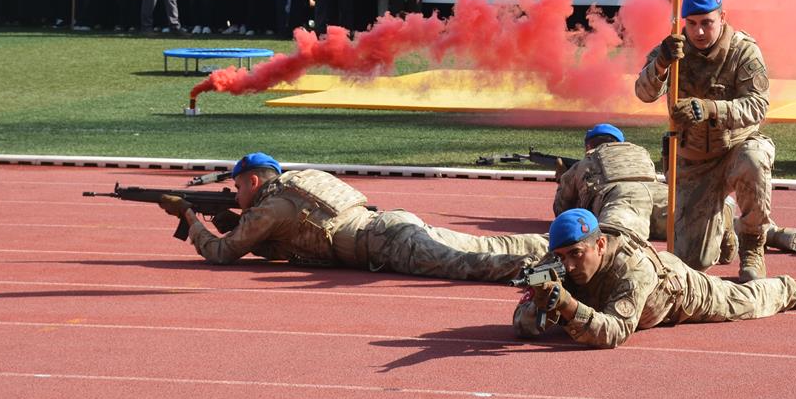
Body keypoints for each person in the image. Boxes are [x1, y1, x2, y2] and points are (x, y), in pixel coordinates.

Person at [511, 208, 796, 349]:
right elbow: (523, 326)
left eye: (577, 255)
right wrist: (539, 306)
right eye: (561, 257)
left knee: (748, 302)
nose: (570, 266)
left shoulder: (631, 268)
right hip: (625, 300)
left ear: (601, 245)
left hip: (677, 292)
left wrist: (567, 305)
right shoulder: (557, 261)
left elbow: (614, 333)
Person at [161, 153, 547, 279]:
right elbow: (285, 245)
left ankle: (541, 268)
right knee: (481, 245)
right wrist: (232, 222)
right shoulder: (300, 182)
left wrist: (191, 219)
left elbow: (223, 254)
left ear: (254, 180)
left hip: (386, 244)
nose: (236, 194)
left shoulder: (271, 206)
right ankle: (550, 246)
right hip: (390, 225)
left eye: (239, 186)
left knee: (470, 265)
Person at [634, 0, 773, 279]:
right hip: (694, 162)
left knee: (755, 158)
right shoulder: (672, 49)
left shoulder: (743, 50)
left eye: (706, 23)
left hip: (735, 149)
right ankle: (721, 220)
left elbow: (758, 106)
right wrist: (661, 64)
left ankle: (752, 247)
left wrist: (711, 109)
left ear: (722, 17)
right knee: (691, 264)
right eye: (692, 24)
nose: (698, 32)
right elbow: (643, 93)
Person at [552, 123, 668, 242]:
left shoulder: (585, 162)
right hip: (663, 196)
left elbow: (562, 212)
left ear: (588, 146)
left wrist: (562, 179)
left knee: (614, 244)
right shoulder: (641, 153)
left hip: (624, 200)